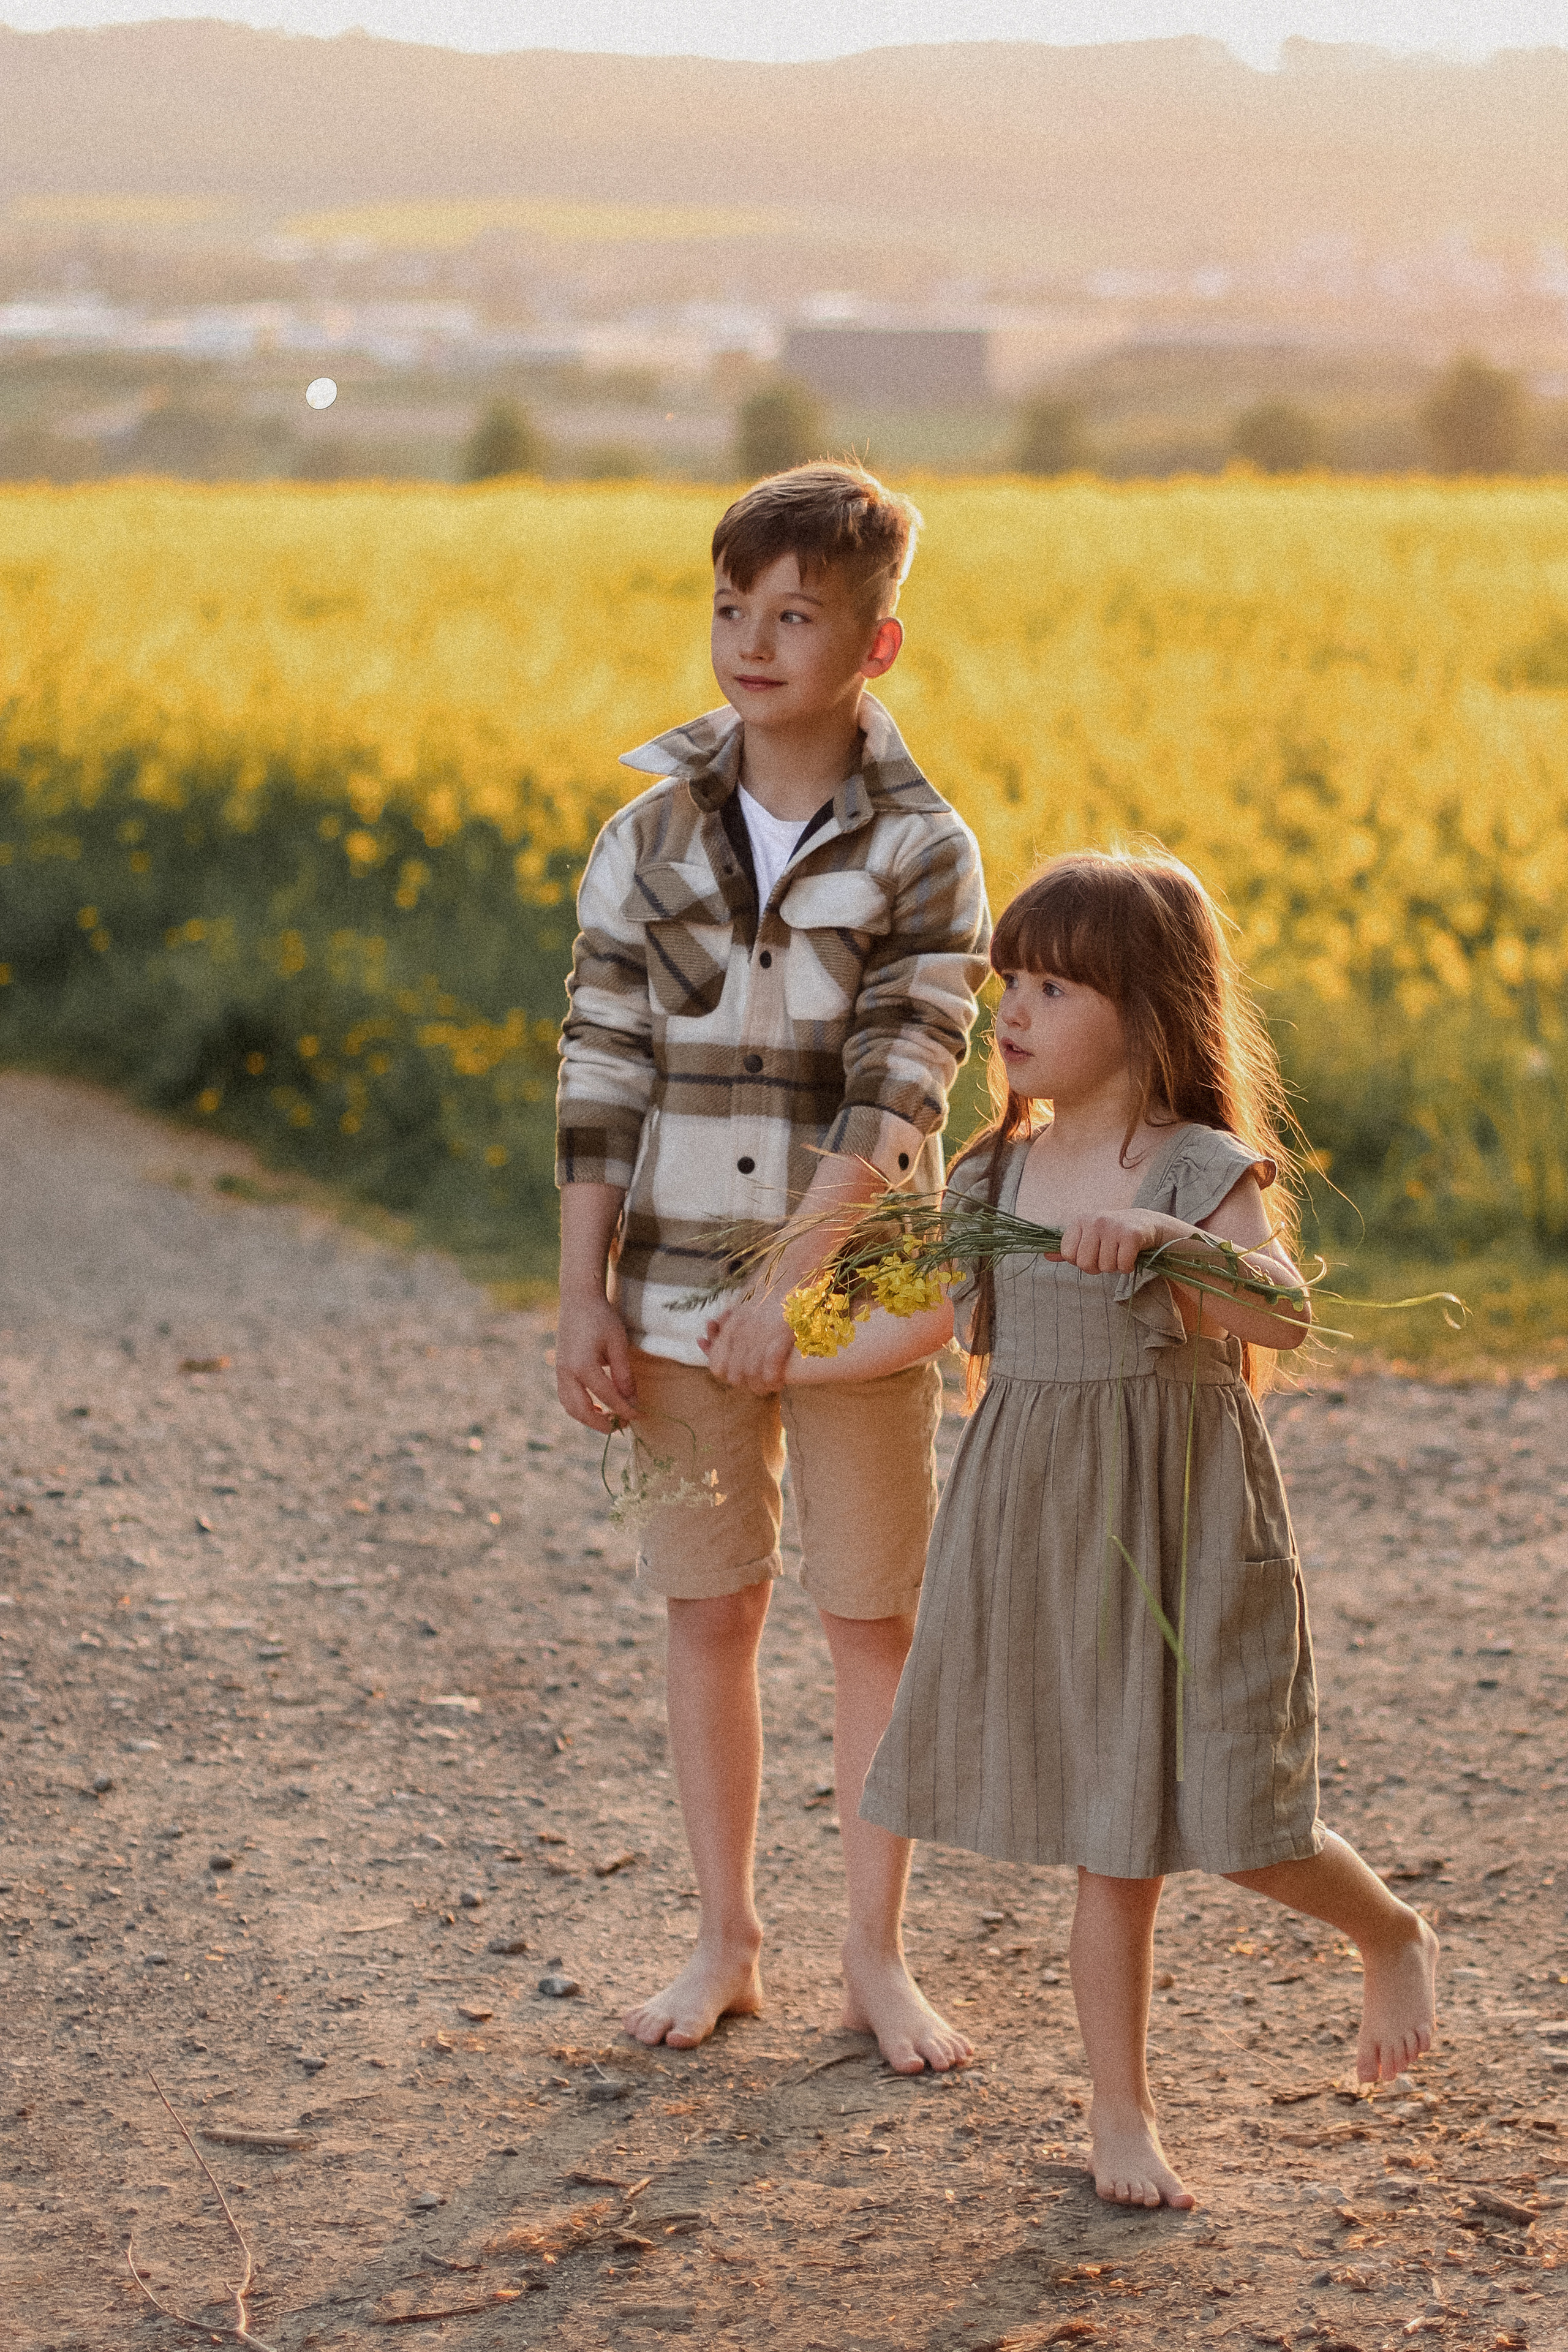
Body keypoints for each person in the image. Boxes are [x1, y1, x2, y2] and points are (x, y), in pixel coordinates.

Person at [809, 847, 1438, 2204]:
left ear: (1147, 1010)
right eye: (1009, 984)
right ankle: (1119, 2115)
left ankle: (1386, 1931)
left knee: (1239, 1819)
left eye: (1052, 986)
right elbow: (935, 1327)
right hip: (1047, 1539)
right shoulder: (989, 1179)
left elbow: (1277, 1312)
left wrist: (1168, 1245)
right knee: (1110, 1831)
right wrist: (792, 1359)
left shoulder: (1197, 1166)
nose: (1013, 1013)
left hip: (1180, 1535)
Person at [553, 461, 991, 2072]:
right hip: (667, 1294)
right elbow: (599, 1070)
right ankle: (726, 1937)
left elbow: (902, 1091)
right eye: (732, 607)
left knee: (872, 1620)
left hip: (861, 1308)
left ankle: (876, 1955)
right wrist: (582, 1291)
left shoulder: (929, 851)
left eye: (795, 613)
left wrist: (787, 1290)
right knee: (707, 1613)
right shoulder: (644, 831)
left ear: (875, 645)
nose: (751, 640)